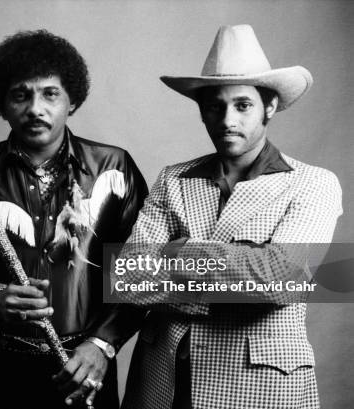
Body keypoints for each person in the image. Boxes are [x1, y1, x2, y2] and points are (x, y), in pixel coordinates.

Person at [120, 25, 342, 409]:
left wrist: (176, 254)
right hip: (165, 383)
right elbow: (128, 276)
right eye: (214, 106)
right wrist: (243, 269)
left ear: (269, 107)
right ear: (201, 110)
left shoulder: (314, 184)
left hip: (259, 386)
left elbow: (280, 280)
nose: (227, 119)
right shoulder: (174, 178)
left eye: (242, 105)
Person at [0, 30, 148, 409]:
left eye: (50, 93)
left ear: (72, 100)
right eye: (21, 94)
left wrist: (102, 343)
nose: (35, 108)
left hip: (86, 367)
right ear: (2, 102)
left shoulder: (115, 168)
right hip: (2, 370)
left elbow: (142, 271)